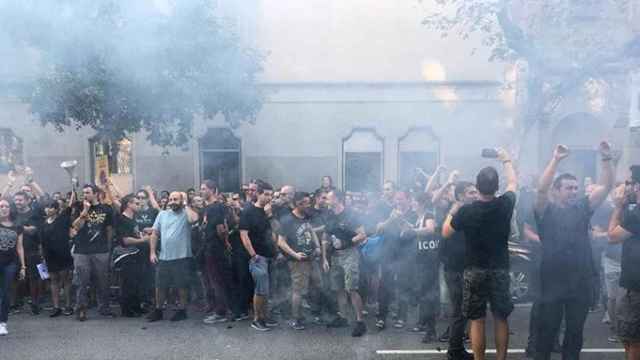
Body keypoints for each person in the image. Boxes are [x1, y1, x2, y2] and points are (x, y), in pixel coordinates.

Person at [533, 142, 614, 360]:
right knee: (547, 332)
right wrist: (556, 159)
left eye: (575, 188)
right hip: (552, 281)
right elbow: (541, 189)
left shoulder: (582, 208)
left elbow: (606, 187)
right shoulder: (545, 210)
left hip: (579, 282)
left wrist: (606, 159)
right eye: (569, 188)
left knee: (575, 333)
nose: (574, 192)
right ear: (556, 190)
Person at [442, 148, 517, 360]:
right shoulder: (505, 204)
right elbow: (513, 183)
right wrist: (506, 159)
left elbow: (446, 231)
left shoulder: (467, 210)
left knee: (477, 319)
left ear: (477, 185)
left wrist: (453, 209)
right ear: (496, 187)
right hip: (500, 268)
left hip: (474, 270)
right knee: (501, 317)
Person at [147, 192, 199, 322]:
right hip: (164, 257)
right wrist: (152, 252)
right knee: (160, 285)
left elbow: (194, 219)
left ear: (182, 201)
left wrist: (185, 204)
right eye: (170, 199)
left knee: (181, 285)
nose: (172, 201)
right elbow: (154, 234)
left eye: (175, 199)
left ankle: (182, 310)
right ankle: (158, 310)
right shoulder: (162, 214)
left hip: (182, 257)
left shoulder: (186, 214)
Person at [439, 181, 477, 360]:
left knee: (462, 310)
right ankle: (455, 351)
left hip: (463, 268)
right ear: (461, 195)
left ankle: (456, 348)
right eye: (471, 192)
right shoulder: (453, 212)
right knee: (460, 310)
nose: (475, 195)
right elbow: (446, 234)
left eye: (476, 192)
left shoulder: (468, 211)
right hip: (455, 270)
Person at [323, 190, 367, 337]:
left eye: (328, 198)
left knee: (351, 289)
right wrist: (324, 258)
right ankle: (343, 317)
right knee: (339, 288)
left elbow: (362, 234)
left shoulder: (351, 214)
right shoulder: (329, 215)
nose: (326, 201)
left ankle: (360, 322)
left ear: (337, 199)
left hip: (350, 255)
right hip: (335, 256)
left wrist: (347, 242)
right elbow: (325, 236)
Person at [277, 192, 322, 330]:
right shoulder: (287, 220)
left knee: (318, 283)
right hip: (297, 261)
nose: (309, 205)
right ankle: (295, 318)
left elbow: (311, 230)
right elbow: (281, 242)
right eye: (306, 203)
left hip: (311, 258)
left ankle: (312, 313)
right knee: (298, 290)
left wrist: (318, 246)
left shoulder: (306, 216)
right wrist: (295, 255)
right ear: (298, 203)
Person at [608, 168, 640, 360]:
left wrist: (618, 206)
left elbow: (612, 236)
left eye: (631, 183)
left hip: (636, 285)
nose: (627, 187)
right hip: (633, 282)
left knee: (633, 340)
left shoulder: (637, 214)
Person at [240, 180, 279, 331]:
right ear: (258, 194)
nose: (269, 198)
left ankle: (265, 316)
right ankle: (257, 319)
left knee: (267, 289)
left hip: (270, 255)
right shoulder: (248, 211)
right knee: (261, 288)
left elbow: (277, 230)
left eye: (271, 195)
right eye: (266, 194)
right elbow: (244, 235)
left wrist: (269, 215)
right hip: (258, 257)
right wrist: (253, 255)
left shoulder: (268, 212)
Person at [71, 184, 115, 321]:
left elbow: (109, 230)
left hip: (101, 251)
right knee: (81, 281)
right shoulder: (78, 207)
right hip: (81, 251)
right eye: (83, 193)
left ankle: (104, 307)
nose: (85, 195)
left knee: (103, 281)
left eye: (88, 192)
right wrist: (84, 212)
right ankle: (81, 309)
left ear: (96, 194)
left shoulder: (106, 209)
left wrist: (107, 248)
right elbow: (75, 227)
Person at [200, 180, 233, 325]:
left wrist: (224, 242)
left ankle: (221, 312)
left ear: (212, 190)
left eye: (204, 189)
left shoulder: (216, 207)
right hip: (209, 247)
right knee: (214, 279)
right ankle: (220, 309)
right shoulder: (208, 208)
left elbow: (221, 228)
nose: (201, 191)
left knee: (217, 280)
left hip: (215, 249)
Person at [115, 194, 150, 317]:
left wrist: (142, 233)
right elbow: (125, 240)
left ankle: (136, 306)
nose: (139, 204)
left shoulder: (132, 218)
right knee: (128, 283)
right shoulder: (122, 219)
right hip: (127, 255)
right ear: (128, 204)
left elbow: (134, 234)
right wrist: (143, 240)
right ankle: (127, 309)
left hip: (136, 255)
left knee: (136, 282)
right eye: (136, 203)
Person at [40, 198, 74, 317]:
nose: (47, 209)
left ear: (56, 209)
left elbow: (70, 205)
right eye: (46, 207)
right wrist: (43, 256)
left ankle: (68, 306)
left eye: (50, 207)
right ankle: (56, 307)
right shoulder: (44, 223)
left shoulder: (63, 219)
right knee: (53, 281)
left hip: (63, 254)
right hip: (50, 256)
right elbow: (42, 241)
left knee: (66, 281)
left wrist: (73, 186)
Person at [0, 198, 25, 336]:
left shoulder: (17, 226)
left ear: (10, 209)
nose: (3, 208)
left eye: (6, 206)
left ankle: (2, 323)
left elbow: (20, 248)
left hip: (10, 263)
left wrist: (23, 267)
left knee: (5, 293)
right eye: (1, 206)